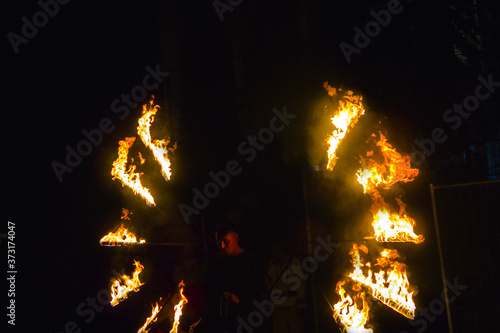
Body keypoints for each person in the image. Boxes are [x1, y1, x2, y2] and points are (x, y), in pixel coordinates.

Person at [213, 222, 269, 333]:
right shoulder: (223, 264)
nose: (223, 246)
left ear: (236, 238)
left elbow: (261, 292)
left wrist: (239, 299)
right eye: (220, 243)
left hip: (250, 319)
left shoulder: (252, 260)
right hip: (231, 321)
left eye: (226, 241)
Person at [266, 240, 306, 333]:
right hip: (277, 309)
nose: (273, 251)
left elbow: (300, 284)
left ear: (280, 247)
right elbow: (267, 285)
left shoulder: (294, 262)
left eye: (274, 248)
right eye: (271, 249)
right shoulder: (270, 265)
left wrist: (301, 305)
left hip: (293, 306)